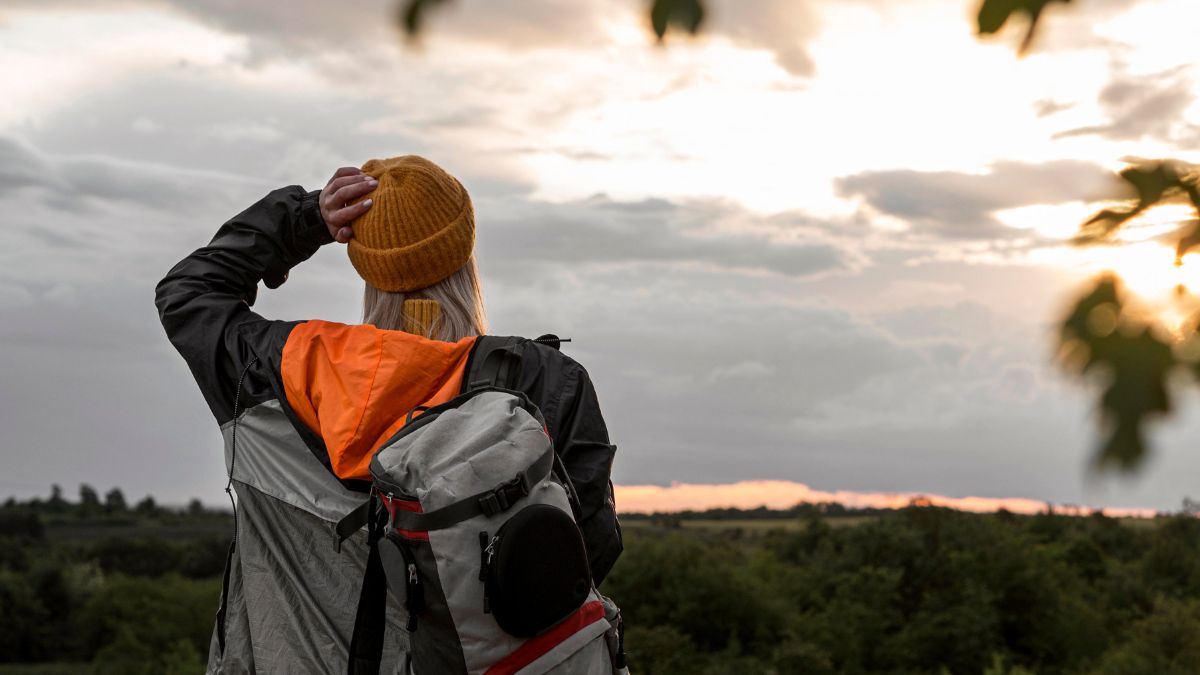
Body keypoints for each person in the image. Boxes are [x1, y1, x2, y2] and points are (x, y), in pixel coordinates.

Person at [155, 155, 622, 673]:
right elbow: (587, 552)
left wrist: (308, 217)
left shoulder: (278, 367)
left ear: (366, 263)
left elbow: (189, 292)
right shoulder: (545, 381)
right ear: (464, 254)